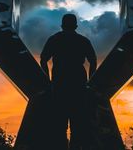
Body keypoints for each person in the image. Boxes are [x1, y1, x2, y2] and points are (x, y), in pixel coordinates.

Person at [40, 14, 97, 150]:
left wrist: (48, 81)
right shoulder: (83, 40)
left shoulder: (54, 39)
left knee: (59, 127)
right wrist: (90, 80)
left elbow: (43, 60)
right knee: (78, 127)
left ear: (62, 25)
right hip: (79, 86)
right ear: (76, 26)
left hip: (59, 86)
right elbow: (93, 60)